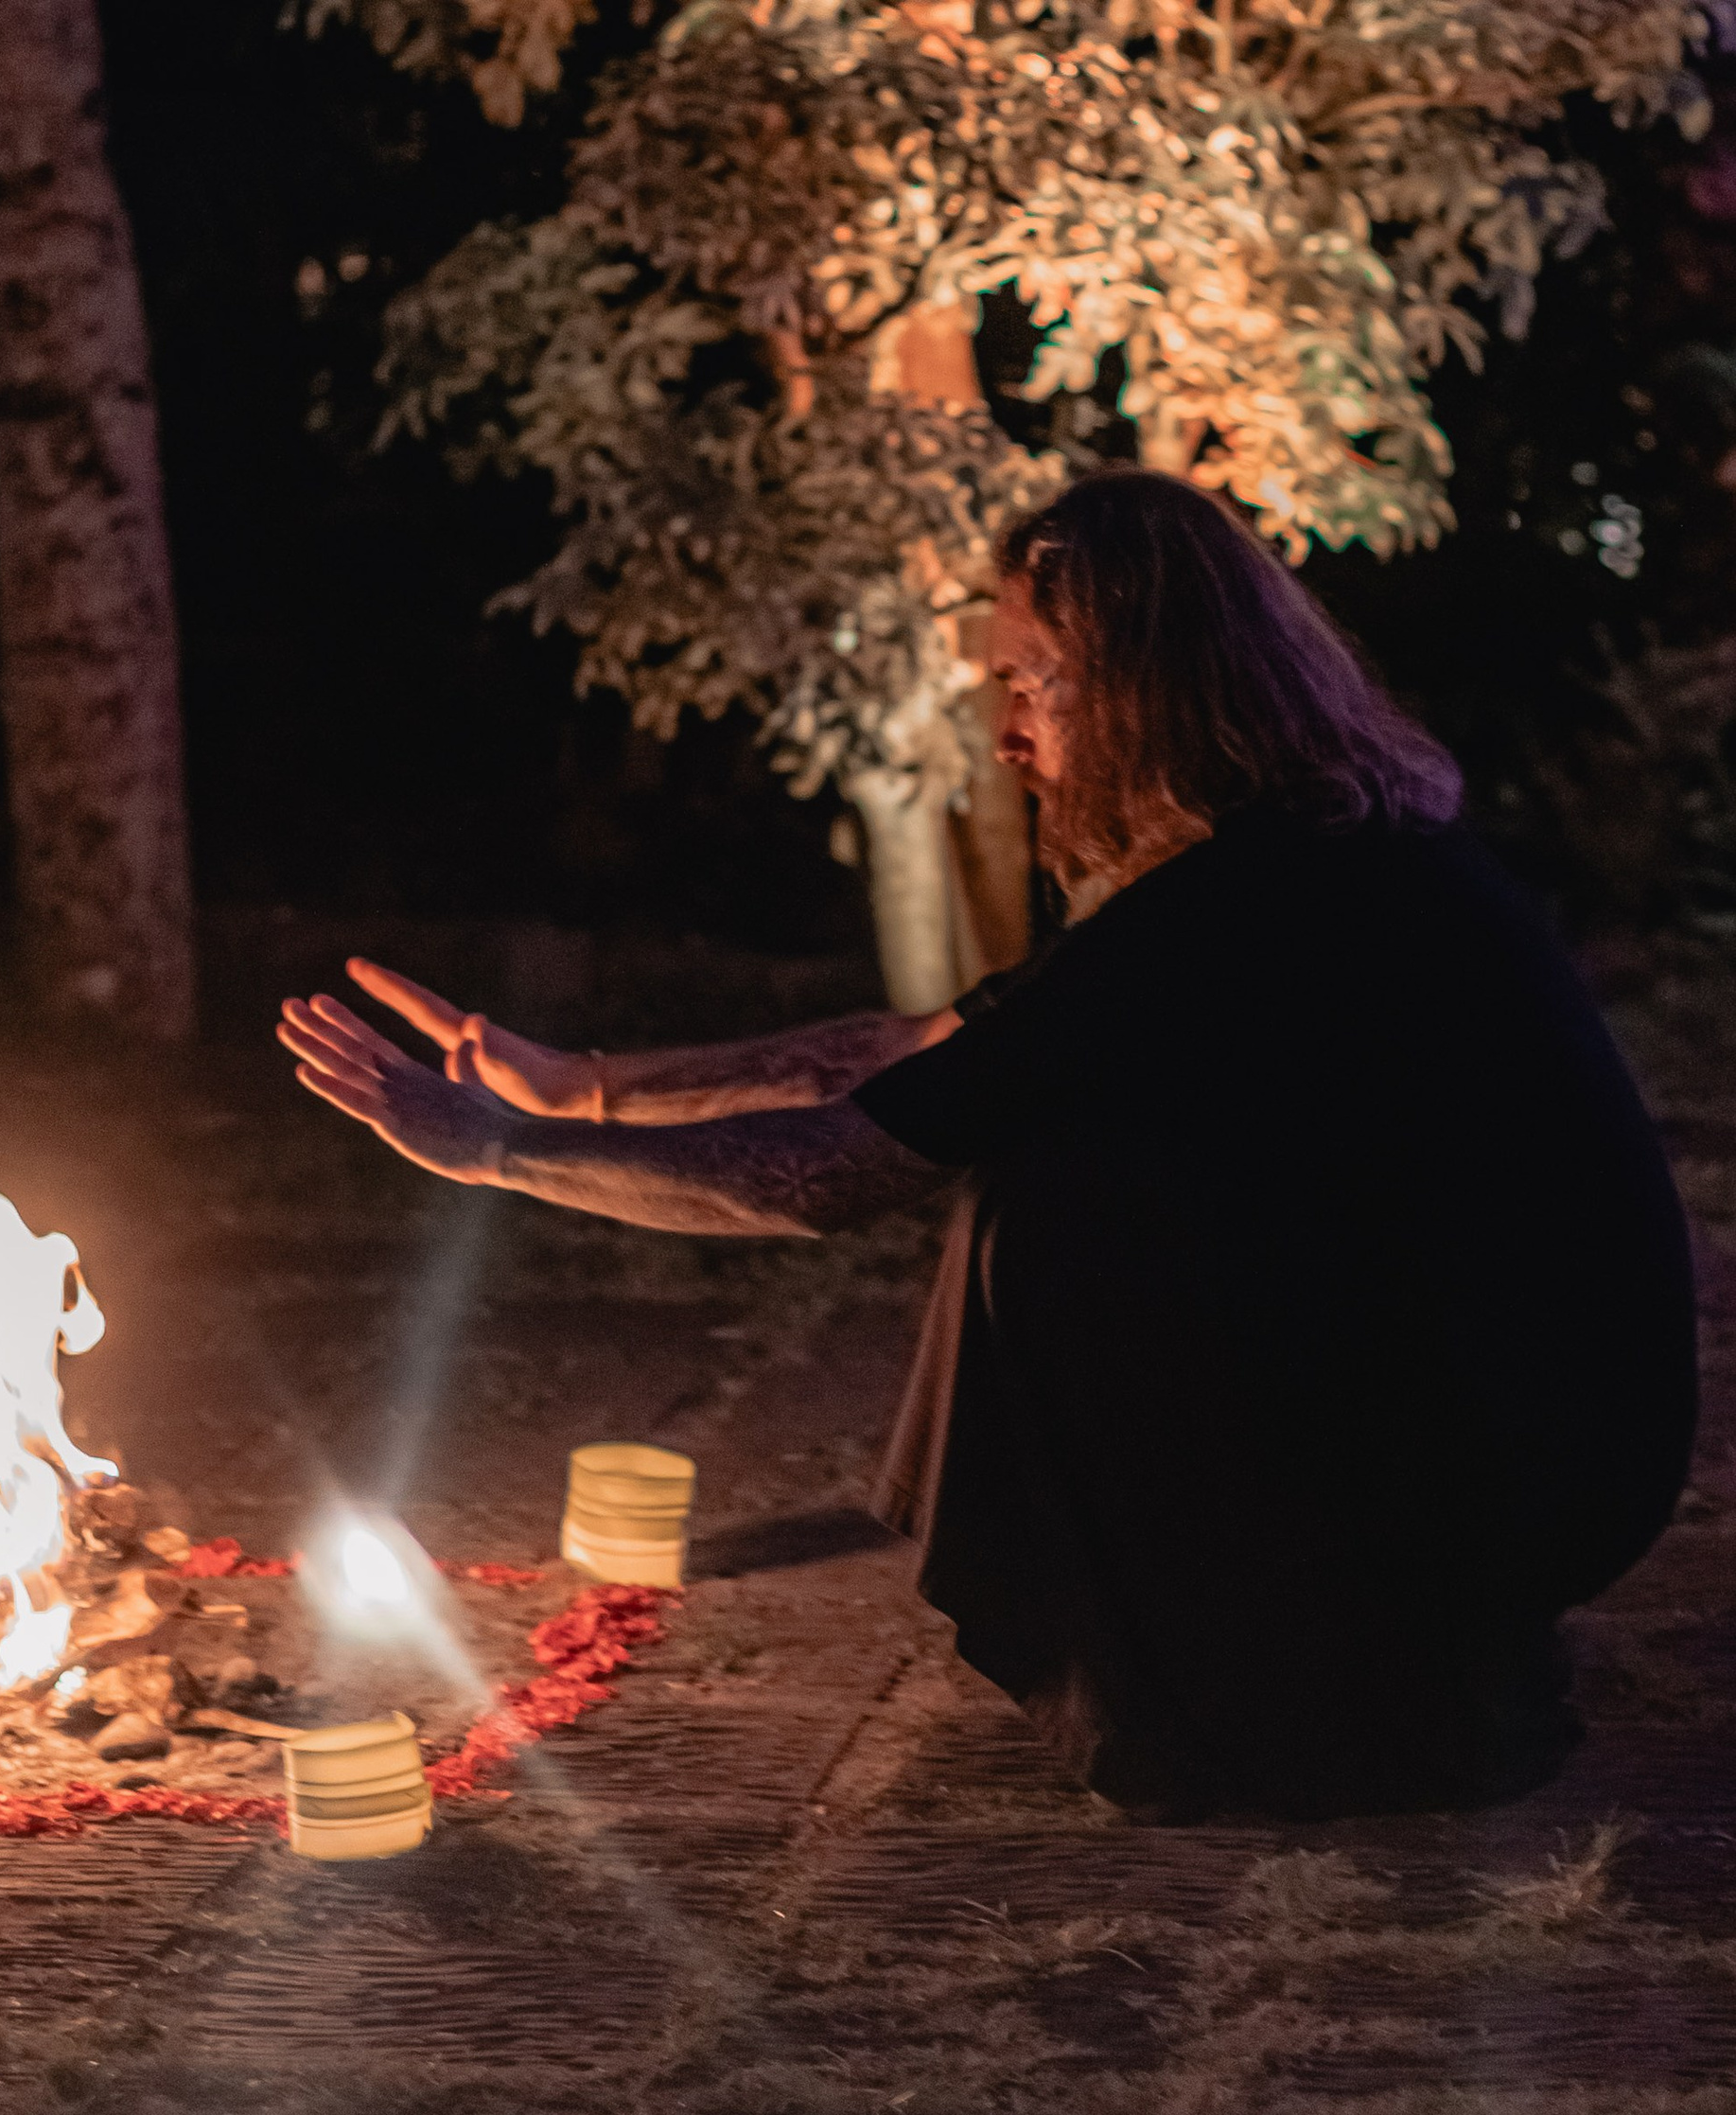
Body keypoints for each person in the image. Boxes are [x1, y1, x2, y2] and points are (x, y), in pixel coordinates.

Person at [278, 471, 1697, 1818]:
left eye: (1033, 683)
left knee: (1047, 1201)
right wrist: (574, 1088)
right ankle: (1250, 1640)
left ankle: (1248, 1679)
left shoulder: (1247, 910)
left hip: (1514, 1467)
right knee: (1053, 1161)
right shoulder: (1294, 859)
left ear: (1144, 687)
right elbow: (906, 1051)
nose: (1010, 733)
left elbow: (836, 1165)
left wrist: (496, 1155)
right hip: (1532, 1441)